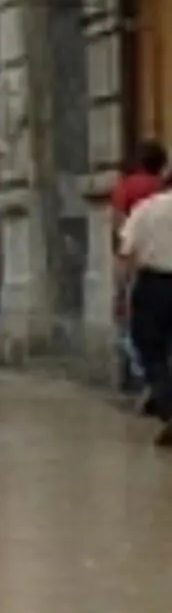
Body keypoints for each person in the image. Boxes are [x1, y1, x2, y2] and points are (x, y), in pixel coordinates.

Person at [119, 166, 172, 446]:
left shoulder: (145, 210)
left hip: (153, 285)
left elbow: (127, 252)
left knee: (151, 351)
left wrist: (123, 291)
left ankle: (167, 406)